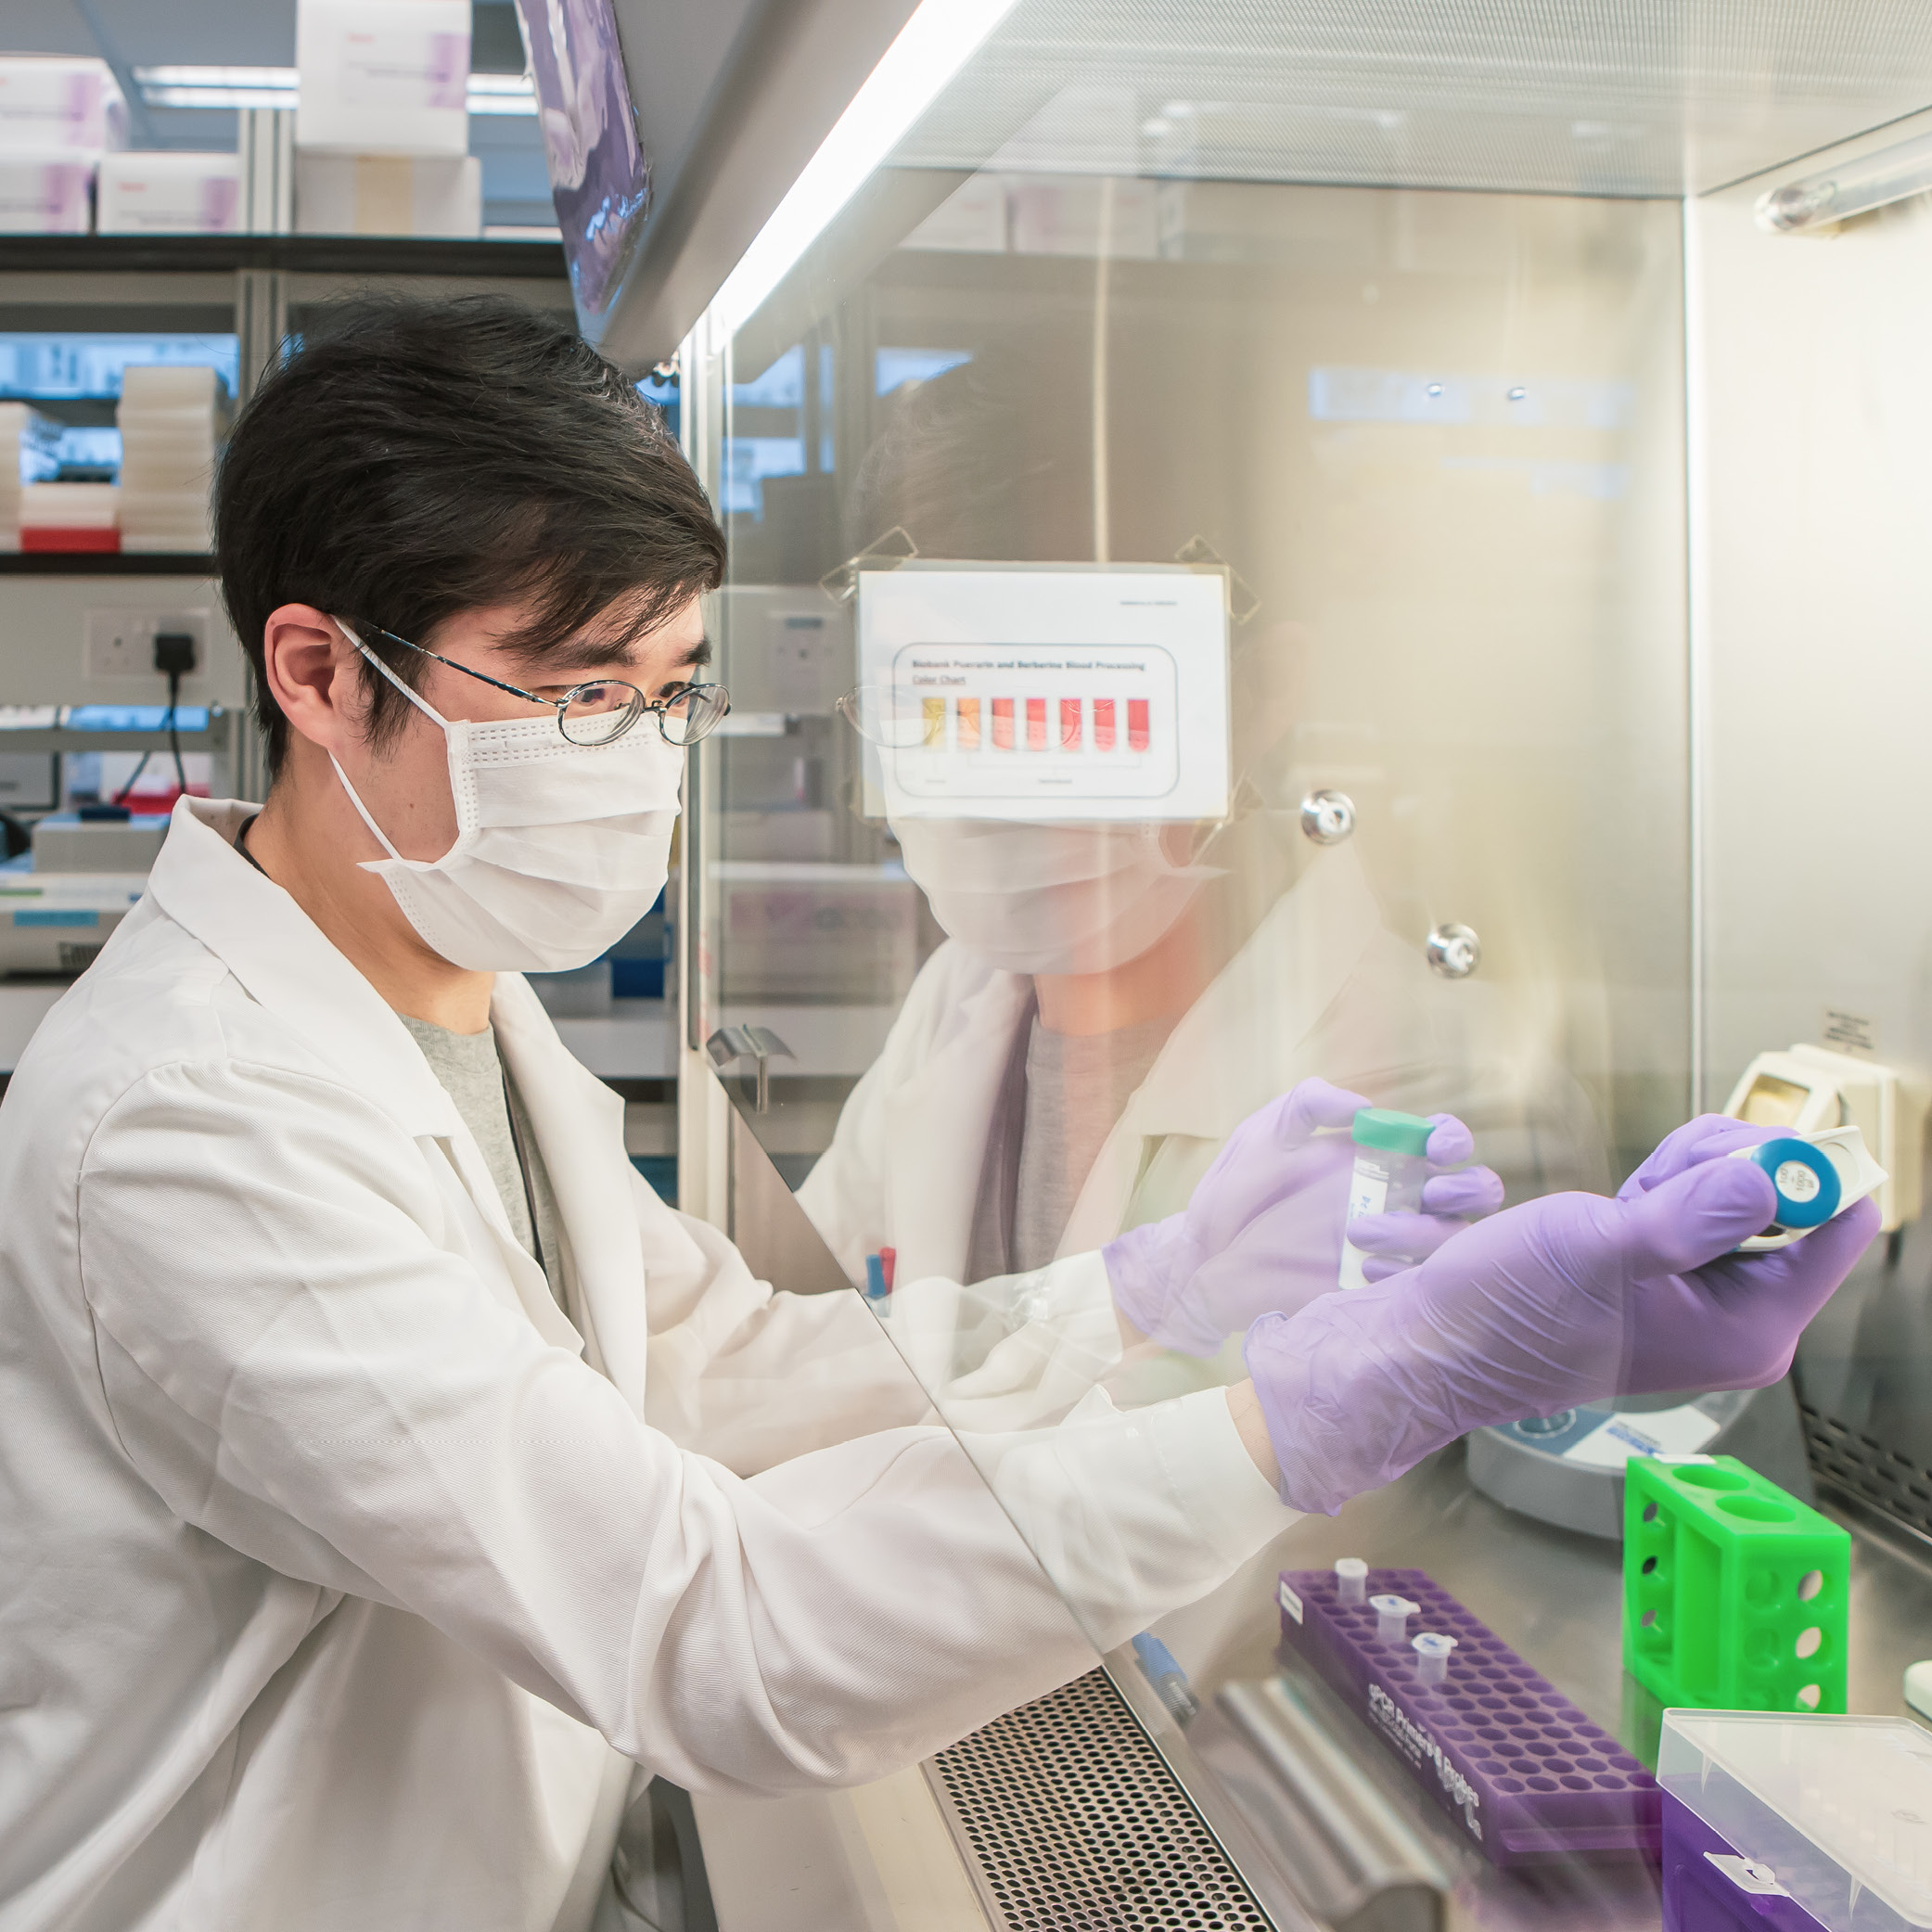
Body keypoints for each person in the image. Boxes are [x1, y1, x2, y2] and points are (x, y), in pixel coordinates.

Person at [0, 296, 1874, 1932]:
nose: (638, 769)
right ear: (322, 673)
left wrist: (1137, 1292)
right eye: (580, 696)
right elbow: (712, 1633)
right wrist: (1317, 1406)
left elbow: (708, 1366)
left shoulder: (446, 1003)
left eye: (670, 696)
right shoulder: (191, 1125)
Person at [801, 352, 1605, 1312]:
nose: (989, 767)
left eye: (1071, 697)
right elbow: (799, 1334)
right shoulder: (961, 998)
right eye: (931, 696)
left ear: (1262, 690)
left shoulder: (1438, 1091)